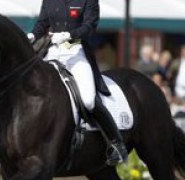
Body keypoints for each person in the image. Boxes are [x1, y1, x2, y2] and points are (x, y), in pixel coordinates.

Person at [27, 0, 127, 165]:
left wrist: (69, 35)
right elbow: (42, 23)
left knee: (88, 100)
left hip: (76, 51)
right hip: (53, 52)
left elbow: (90, 26)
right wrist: (32, 35)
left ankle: (116, 143)